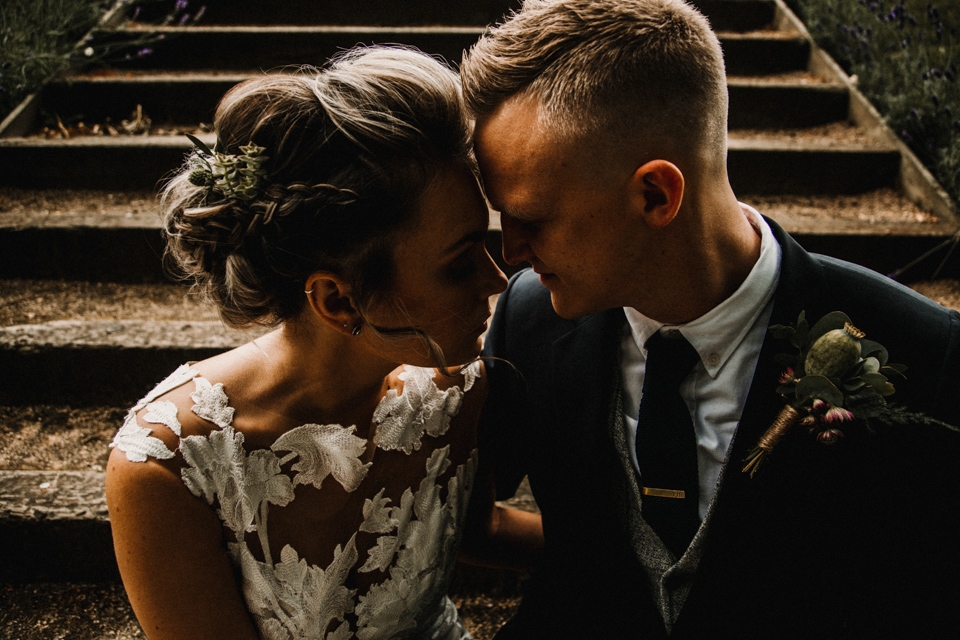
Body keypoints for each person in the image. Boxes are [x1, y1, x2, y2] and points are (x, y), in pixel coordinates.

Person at [459, 0, 960, 637]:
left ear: (656, 194)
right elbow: (469, 521)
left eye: (531, 220)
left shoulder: (925, 353)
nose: (511, 257)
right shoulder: (527, 323)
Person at [105, 46, 541, 640]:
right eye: (459, 263)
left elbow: (479, 532)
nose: (499, 279)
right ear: (338, 301)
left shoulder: (458, 386)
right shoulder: (171, 465)